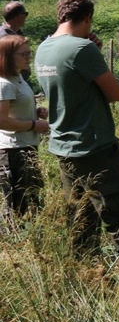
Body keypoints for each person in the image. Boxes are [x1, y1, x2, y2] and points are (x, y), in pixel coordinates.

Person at [34, 0, 119, 265]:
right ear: (87, 17)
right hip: (95, 147)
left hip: (63, 146)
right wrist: (93, 51)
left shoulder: (43, 48)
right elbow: (116, 94)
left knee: (81, 218)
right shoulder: (82, 49)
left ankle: (85, 271)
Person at [0, 35, 48, 220]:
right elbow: (2, 121)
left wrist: (34, 112)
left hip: (25, 146)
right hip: (12, 151)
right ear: (7, 56)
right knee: (16, 206)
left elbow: (14, 111)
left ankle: (31, 235)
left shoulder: (18, 77)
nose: (29, 57)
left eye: (29, 52)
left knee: (32, 201)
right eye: (23, 54)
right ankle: (14, 237)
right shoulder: (4, 83)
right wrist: (34, 124)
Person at [2, 2, 31, 82]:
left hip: (20, 81)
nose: (26, 17)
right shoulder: (3, 37)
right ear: (19, 16)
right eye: (25, 14)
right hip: (10, 82)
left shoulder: (18, 33)